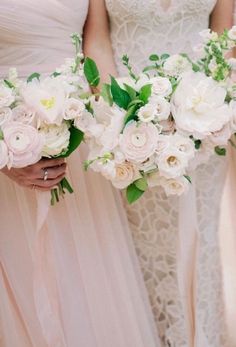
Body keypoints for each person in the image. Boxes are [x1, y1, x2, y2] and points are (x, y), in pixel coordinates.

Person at [0, 1, 160, 346]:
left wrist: (124, 123)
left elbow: (96, 46)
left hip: (79, 138)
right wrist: (5, 154)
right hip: (12, 140)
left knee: (91, 283)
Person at [84, 0, 234, 345]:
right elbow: (97, 40)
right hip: (131, 135)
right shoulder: (126, 127)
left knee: (202, 238)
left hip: (203, 133)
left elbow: (224, 36)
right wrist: (123, 116)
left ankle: (201, 336)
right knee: (142, 247)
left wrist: (210, 112)